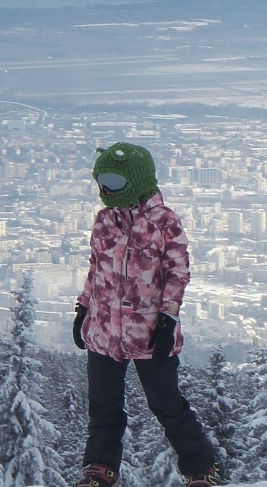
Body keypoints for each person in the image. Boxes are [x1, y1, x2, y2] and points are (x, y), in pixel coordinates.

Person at [72, 142, 220, 487]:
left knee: (166, 404)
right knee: (103, 407)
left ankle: (200, 469)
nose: (106, 189)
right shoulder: (104, 220)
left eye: (114, 181)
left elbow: (177, 273)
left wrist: (167, 319)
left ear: (136, 180)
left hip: (149, 332)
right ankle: (99, 470)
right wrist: (83, 307)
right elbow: (96, 270)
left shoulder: (165, 222)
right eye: (102, 180)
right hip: (104, 330)